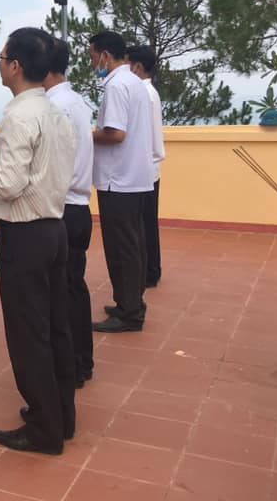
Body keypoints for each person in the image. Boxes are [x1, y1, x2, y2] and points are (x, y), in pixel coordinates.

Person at [0, 27, 76, 456]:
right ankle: (61, 415)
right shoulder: (54, 112)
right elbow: (42, 169)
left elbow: (11, 186)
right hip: (54, 229)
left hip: (24, 236)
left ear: (15, 66)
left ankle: (44, 429)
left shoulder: (17, 115)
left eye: (0, 58)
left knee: (28, 333)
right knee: (55, 326)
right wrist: (0, 159)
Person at [89, 31, 154, 333]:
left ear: (105, 55)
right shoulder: (135, 82)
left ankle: (129, 312)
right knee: (133, 244)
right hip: (135, 176)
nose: (92, 63)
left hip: (118, 179)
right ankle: (130, 301)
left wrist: (85, 134)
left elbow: (115, 133)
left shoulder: (116, 85)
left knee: (122, 248)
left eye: (92, 56)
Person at [43, 38, 94, 388]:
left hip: (61, 207)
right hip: (77, 206)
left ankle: (72, 365)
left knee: (61, 291)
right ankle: (81, 360)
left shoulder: (53, 106)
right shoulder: (76, 101)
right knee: (74, 287)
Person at [126, 45, 166, 288]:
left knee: (144, 225)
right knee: (147, 223)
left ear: (137, 67)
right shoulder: (149, 92)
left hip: (144, 167)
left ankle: (150, 271)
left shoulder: (144, 93)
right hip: (149, 167)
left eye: (127, 64)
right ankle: (151, 269)